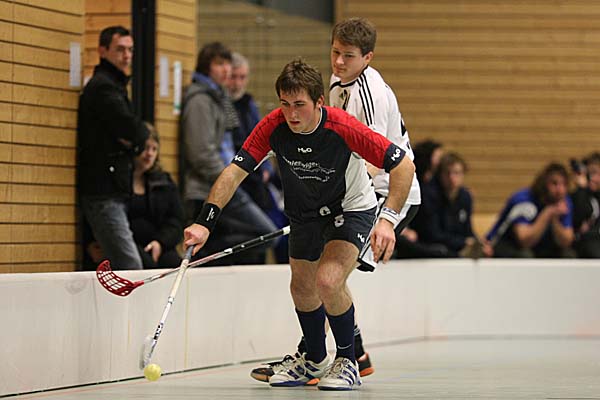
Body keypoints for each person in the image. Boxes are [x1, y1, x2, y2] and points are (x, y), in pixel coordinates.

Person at [184, 59, 415, 390]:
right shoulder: (273, 126)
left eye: (299, 105)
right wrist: (204, 222)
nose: (291, 114)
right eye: (285, 104)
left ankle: (348, 361)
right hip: (305, 214)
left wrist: (388, 220)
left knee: (329, 281)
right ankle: (314, 361)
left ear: (319, 102)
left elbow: (403, 166)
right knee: (302, 289)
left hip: (350, 209)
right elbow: (234, 173)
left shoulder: (343, 127)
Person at [179, 42, 276, 265]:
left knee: (264, 234)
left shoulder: (220, 98)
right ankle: (204, 256)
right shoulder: (201, 100)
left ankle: (206, 257)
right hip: (209, 187)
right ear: (207, 67)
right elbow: (201, 153)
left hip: (226, 181)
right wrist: (229, 179)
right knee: (265, 232)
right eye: (219, 64)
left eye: (227, 64)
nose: (226, 70)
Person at [77, 25, 149, 270]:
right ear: (102, 50)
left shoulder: (115, 85)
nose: (127, 56)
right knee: (130, 265)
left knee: (130, 262)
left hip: (114, 186)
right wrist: (135, 139)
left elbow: (134, 134)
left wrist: (134, 138)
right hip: (103, 190)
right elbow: (135, 131)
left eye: (130, 50)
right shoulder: (103, 87)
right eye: (120, 49)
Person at [83, 124, 185, 269]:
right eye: (145, 148)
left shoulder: (164, 182)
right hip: (128, 243)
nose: (149, 154)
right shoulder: (116, 181)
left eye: (154, 149)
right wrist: (89, 242)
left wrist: (160, 242)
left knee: (176, 265)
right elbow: (100, 213)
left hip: (157, 243)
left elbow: (176, 220)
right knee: (141, 263)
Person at [227, 52, 289, 263]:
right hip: (240, 178)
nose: (237, 83)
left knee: (281, 230)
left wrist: (267, 170)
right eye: (234, 77)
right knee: (265, 232)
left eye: (242, 77)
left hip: (259, 180)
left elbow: (262, 138)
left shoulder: (248, 103)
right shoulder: (224, 105)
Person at [409, 152, 492, 258]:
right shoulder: (429, 195)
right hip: (432, 246)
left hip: (454, 245)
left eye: (456, 173)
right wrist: (463, 242)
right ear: (440, 175)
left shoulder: (465, 197)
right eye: (448, 173)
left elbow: (467, 229)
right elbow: (432, 233)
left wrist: (477, 242)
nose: (452, 178)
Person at [486, 162, 575, 258]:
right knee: (526, 255)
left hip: (537, 246)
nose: (560, 190)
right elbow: (524, 240)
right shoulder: (524, 199)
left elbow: (567, 241)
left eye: (564, 184)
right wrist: (547, 214)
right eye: (554, 183)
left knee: (568, 255)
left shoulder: (563, 201)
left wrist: (554, 220)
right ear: (544, 184)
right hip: (503, 244)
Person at [570, 152, 600, 258]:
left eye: (596, 173)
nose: (593, 178)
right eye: (590, 173)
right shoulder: (576, 196)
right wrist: (582, 189)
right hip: (582, 245)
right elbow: (579, 217)